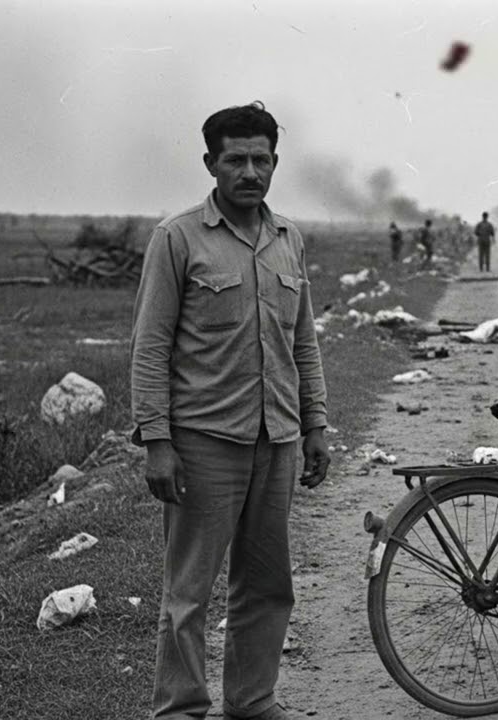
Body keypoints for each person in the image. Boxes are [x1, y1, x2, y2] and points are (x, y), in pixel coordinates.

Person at [130, 102, 329, 720]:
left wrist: (316, 424)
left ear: (275, 163)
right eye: (236, 159)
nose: (250, 171)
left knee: (268, 585)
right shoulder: (178, 237)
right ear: (211, 163)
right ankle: (181, 708)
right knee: (188, 594)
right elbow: (151, 343)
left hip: (278, 440)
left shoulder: (288, 238)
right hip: (204, 442)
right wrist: (157, 441)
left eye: (261, 159)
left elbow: (303, 341)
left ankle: (253, 702)